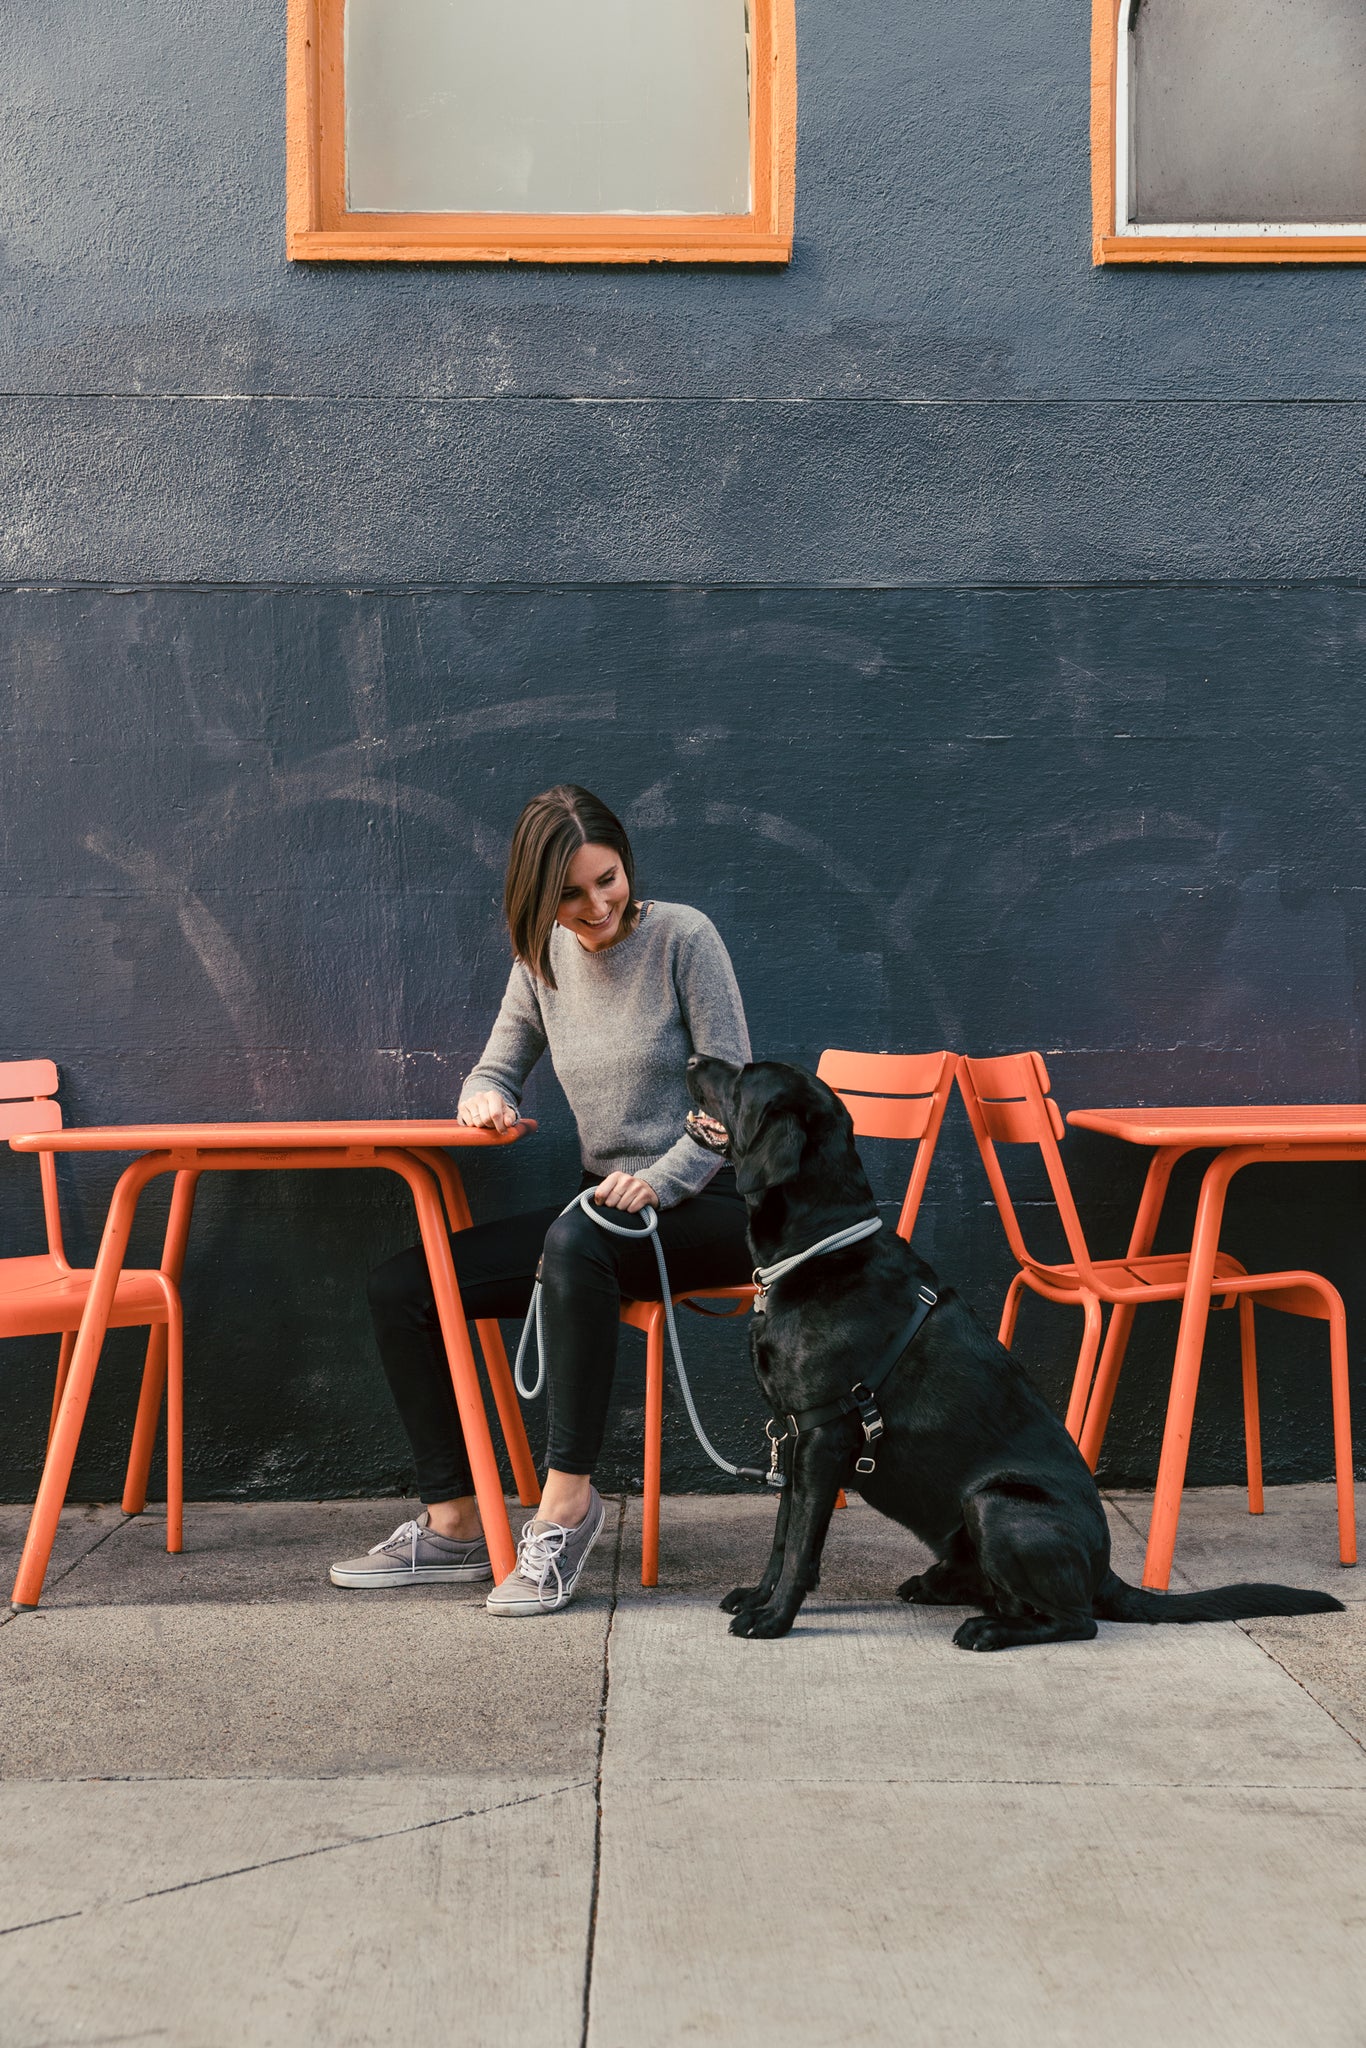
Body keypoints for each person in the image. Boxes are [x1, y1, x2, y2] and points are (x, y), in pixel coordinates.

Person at [329, 784, 753, 1615]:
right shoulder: (540, 961)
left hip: (715, 1205)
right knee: (405, 1287)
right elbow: (495, 1066)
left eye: (609, 879)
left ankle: (567, 1505)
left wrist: (659, 1182)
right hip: (602, 1219)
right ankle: (451, 1524)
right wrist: (481, 1097)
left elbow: (732, 1102)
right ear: (537, 898)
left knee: (577, 1240)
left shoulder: (683, 938)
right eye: (571, 893)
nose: (597, 904)